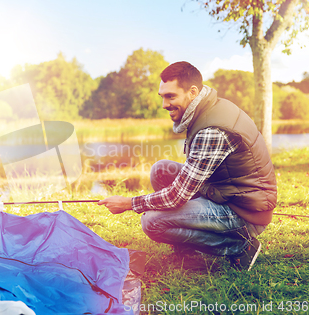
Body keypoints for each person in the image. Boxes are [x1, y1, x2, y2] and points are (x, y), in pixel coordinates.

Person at [98, 61, 277, 271]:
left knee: (152, 222)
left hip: (245, 212)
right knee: (161, 170)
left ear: (192, 92)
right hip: (225, 193)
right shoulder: (209, 107)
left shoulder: (212, 129)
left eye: (171, 96)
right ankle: (188, 249)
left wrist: (129, 203)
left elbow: (177, 196)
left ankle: (238, 246)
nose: (164, 104)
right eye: (162, 96)